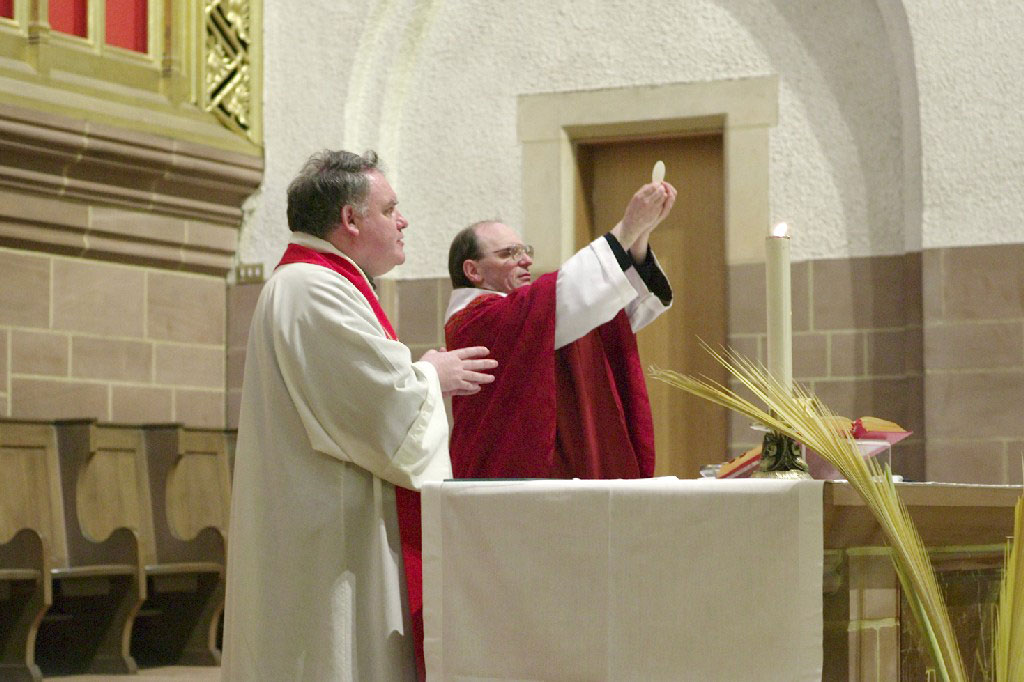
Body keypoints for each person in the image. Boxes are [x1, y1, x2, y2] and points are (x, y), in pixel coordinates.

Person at [222, 150, 496, 681]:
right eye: (390, 209)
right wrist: (430, 375)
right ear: (350, 219)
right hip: (329, 536)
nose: (403, 221)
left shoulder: (319, 282)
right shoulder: (312, 288)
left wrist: (419, 375)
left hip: (328, 518)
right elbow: (377, 405)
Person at [444, 181, 676, 480]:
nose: (526, 260)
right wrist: (627, 228)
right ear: (473, 271)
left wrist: (639, 238)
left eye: (525, 251)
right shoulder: (475, 320)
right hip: (503, 478)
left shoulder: (528, 313)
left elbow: (605, 315)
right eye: (508, 253)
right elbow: (565, 299)